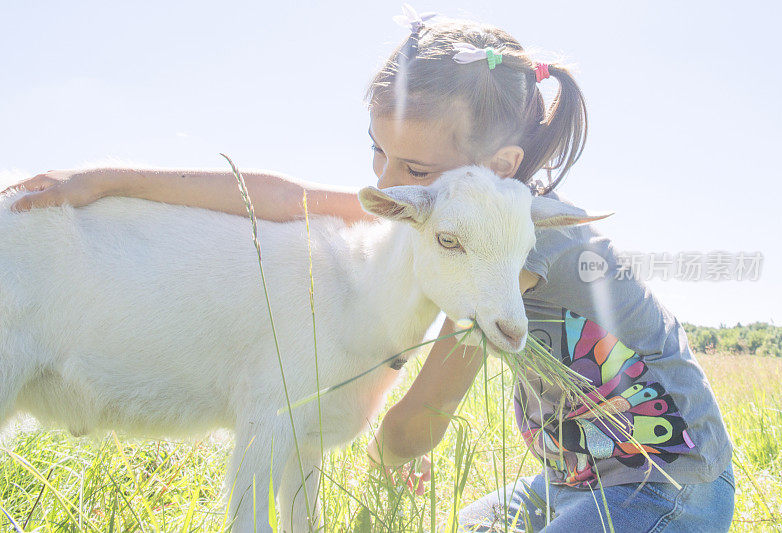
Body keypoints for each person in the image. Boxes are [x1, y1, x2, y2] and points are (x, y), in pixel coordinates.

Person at [2, 6, 735, 532]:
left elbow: (422, 415)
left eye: (413, 166)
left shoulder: (505, 248)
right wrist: (104, 179)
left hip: (670, 483)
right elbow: (282, 197)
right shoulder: (425, 212)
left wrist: (389, 449)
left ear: (499, 167)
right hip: (572, 476)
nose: (386, 181)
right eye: (376, 153)